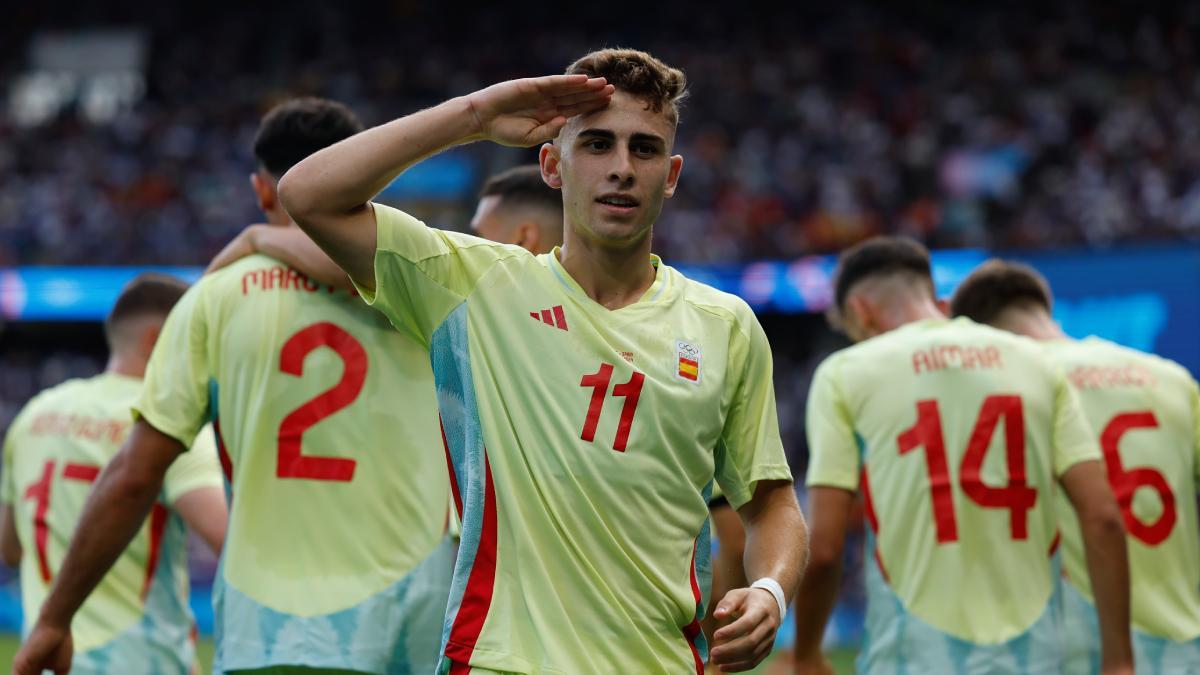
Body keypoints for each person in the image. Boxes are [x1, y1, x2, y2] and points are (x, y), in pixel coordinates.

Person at [274, 48, 808, 673]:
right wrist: (476, 114)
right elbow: (307, 195)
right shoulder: (471, 286)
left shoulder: (726, 326)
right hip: (503, 660)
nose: (621, 169)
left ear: (671, 174)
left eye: (644, 149)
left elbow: (771, 504)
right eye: (597, 145)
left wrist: (771, 590)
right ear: (552, 163)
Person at [15, 98, 452, 675]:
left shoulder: (214, 296)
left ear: (261, 189)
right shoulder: (421, 281)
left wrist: (54, 616)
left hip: (269, 627)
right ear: (364, 175)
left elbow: (134, 476)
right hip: (414, 619)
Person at [791, 237, 1132, 674]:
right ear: (939, 301)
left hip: (910, 656)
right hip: (1036, 657)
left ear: (860, 311)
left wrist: (806, 655)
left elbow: (823, 548)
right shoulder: (1037, 361)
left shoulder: (845, 372)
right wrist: (1119, 659)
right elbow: (1102, 515)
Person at [950, 259, 1200, 673]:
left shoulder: (1007, 389)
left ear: (982, 334)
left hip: (1076, 649)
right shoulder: (1171, 378)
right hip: (1184, 647)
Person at [1, 273, 226, 674]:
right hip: (140, 660)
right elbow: (227, 538)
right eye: (198, 339)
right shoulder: (168, 422)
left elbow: (10, 547)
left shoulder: (37, 412)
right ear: (157, 340)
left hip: (49, 656)